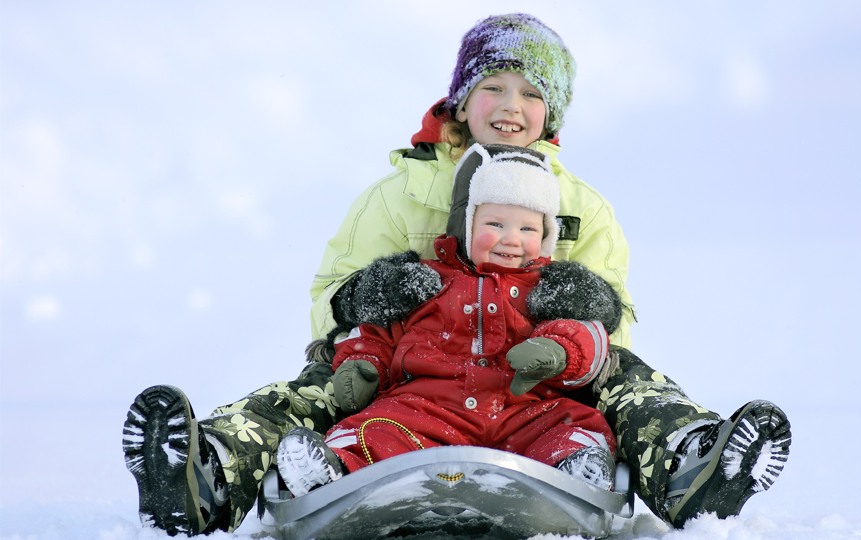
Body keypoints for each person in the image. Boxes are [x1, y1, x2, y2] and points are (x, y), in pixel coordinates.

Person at [121, 12, 791, 537]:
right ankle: (207, 473)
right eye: (493, 87)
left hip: (536, 378)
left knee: (634, 386)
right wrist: (367, 297)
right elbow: (331, 297)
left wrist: (589, 307)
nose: (510, 105)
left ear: (551, 113)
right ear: (462, 99)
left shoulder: (581, 206)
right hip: (402, 371)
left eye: (531, 93)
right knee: (310, 391)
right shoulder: (398, 193)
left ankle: (693, 467)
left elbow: (616, 331)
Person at [276, 143, 620, 497]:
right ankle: (335, 471)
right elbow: (377, 331)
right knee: (375, 428)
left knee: (570, 426)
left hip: (523, 413)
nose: (511, 239)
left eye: (528, 230)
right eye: (495, 223)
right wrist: (363, 363)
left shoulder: (549, 289)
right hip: (430, 411)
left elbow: (591, 336)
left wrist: (560, 351)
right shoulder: (429, 281)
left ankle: (575, 474)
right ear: (466, 223)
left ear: (546, 236)